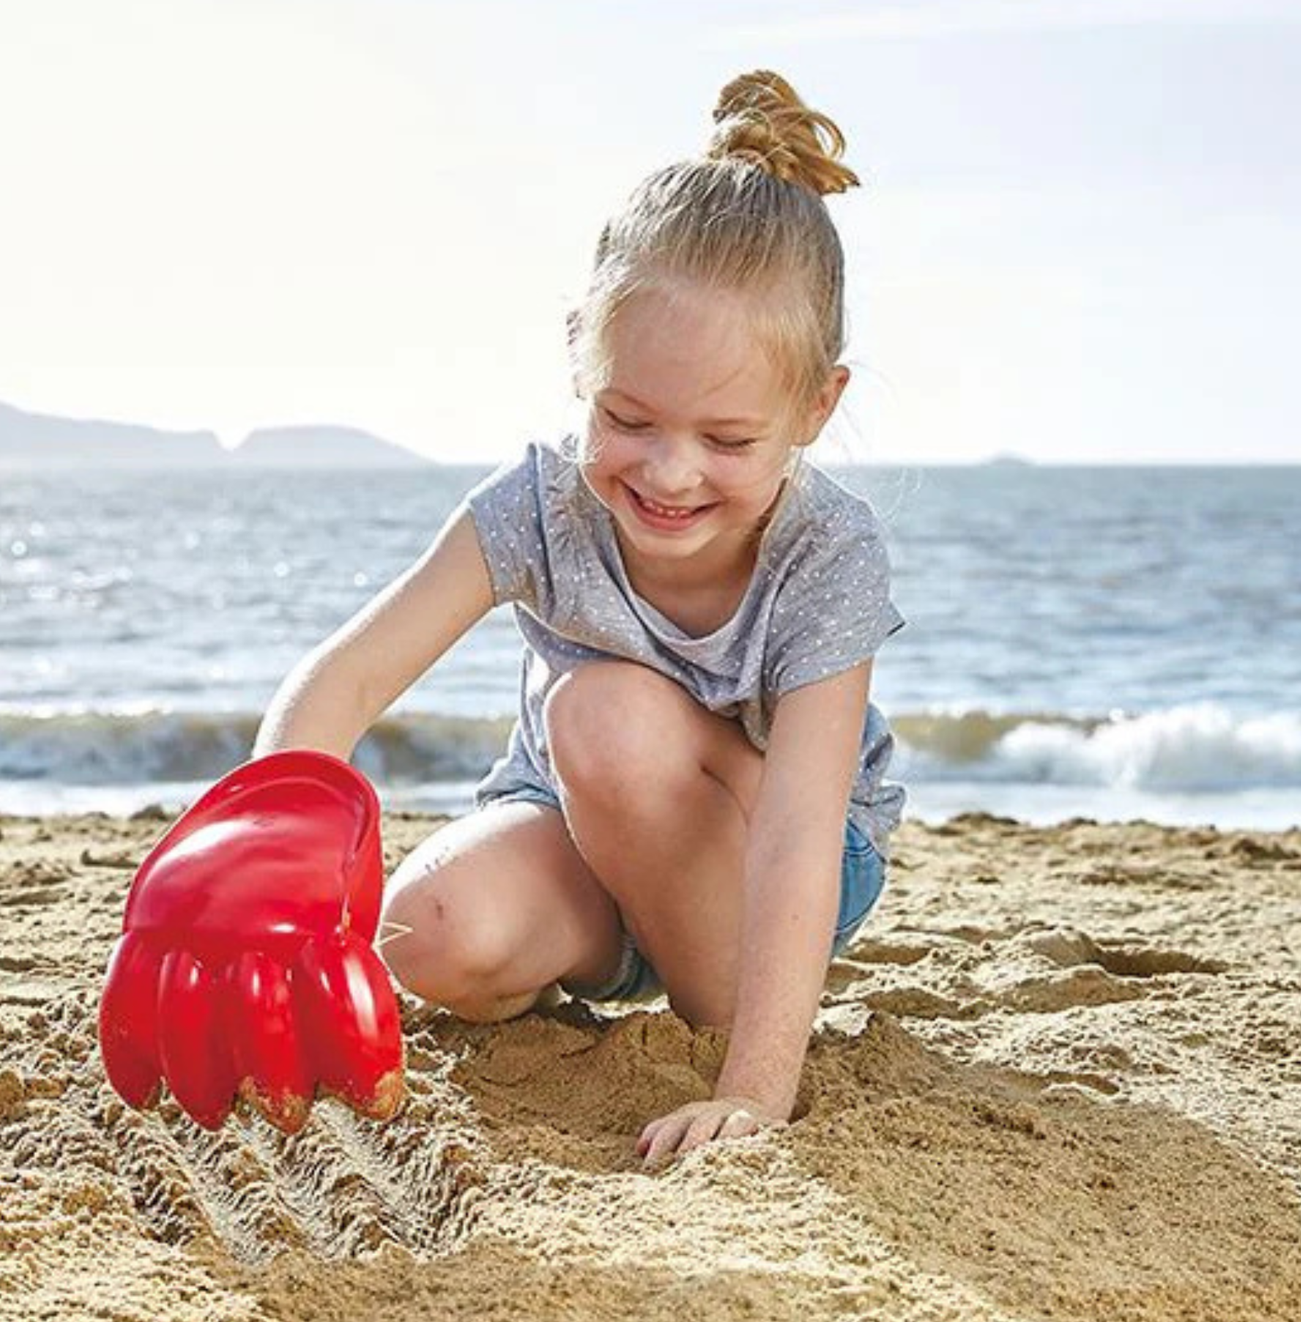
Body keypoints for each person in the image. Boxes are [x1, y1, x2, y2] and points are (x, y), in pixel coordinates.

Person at [253, 70, 905, 1165]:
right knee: (429, 937)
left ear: (816, 407)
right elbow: (348, 679)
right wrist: (270, 871)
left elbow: (800, 827)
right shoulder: (540, 507)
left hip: (780, 859)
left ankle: (713, 1008)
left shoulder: (828, 555)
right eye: (627, 417)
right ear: (578, 357)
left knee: (604, 714)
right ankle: (629, 958)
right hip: (589, 828)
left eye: (729, 441)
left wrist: (753, 1085)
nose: (670, 472)